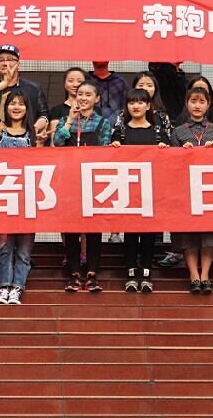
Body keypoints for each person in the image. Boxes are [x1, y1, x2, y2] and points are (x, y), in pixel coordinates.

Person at [0, 87, 38, 306]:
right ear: (6, 107)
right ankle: (4, 287)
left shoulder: (33, 134)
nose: (16, 107)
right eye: (12, 103)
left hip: (27, 199)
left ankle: (17, 288)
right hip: (3, 197)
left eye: (21, 103)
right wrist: (5, 82)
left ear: (27, 108)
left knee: (23, 250)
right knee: (4, 248)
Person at [53, 80, 112, 292]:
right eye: (80, 94)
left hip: (93, 181)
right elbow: (57, 142)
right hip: (70, 180)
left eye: (88, 95)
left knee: (94, 228)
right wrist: (70, 120)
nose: (83, 98)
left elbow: (105, 150)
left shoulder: (103, 123)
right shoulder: (65, 120)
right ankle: (74, 273)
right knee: (71, 228)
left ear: (97, 99)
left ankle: (93, 273)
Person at [111, 88, 170, 292]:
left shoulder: (158, 132)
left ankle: (146, 273)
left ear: (148, 106)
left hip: (151, 190)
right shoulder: (120, 132)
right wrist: (115, 148)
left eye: (140, 102)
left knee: (148, 234)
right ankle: (130, 273)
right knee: (129, 233)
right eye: (131, 102)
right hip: (127, 190)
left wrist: (164, 150)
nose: (136, 106)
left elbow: (170, 160)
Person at [170, 86, 213, 294]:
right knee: (189, 235)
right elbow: (169, 162)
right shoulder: (178, 131)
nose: (197, 105)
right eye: (193, 101)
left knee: (208, 234)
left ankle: (206, 275)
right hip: (185, 190)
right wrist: (181, 152)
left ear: (208, 105)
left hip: (210, 189)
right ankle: (193, 275)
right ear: (187, 104)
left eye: (201, 101)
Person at [49, 67, 87, 138]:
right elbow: (53, 141)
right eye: (70, 81)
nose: (75, 84)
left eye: (79, 81)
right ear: (65, 84)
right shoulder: (56, 110)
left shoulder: (94, 109)